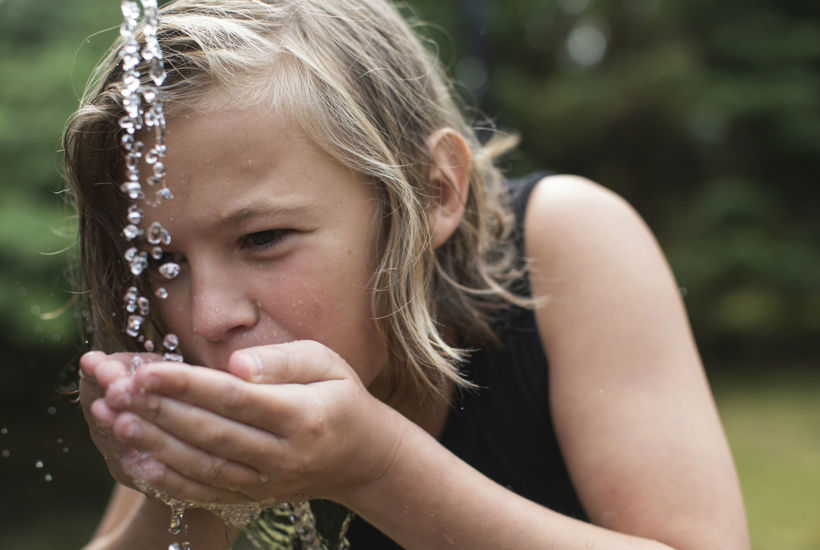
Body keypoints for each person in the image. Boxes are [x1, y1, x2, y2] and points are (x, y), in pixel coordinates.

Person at [65, 0, 750, 548]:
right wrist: (183, 494)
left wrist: (379, 469)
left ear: (433, 193)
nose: (206, 315)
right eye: (162, 261)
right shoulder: (187, 348)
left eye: (263, 238)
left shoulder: (563, 243)